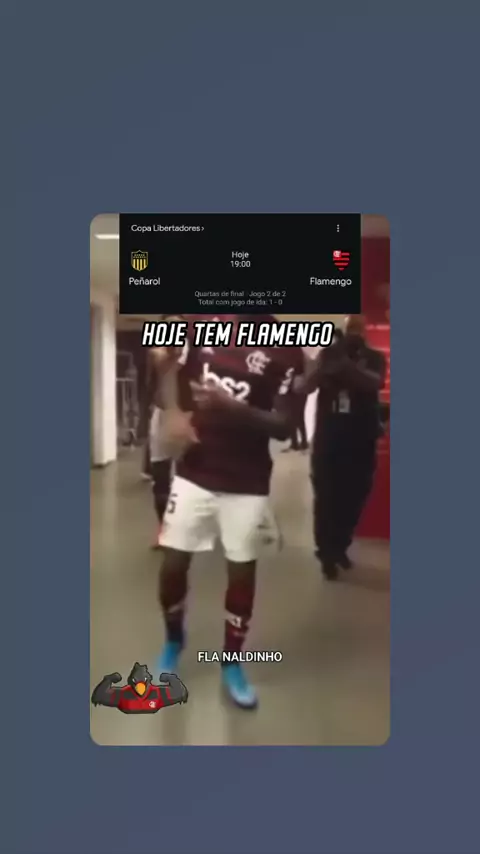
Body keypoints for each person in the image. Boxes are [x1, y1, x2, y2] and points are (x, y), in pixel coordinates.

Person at [152, 315, 303, 709]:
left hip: (247, 482)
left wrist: (229, 405)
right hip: (195, 472)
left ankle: (232, 661)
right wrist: (172, 410)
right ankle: (173, 640)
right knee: (172, 566)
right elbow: (163, 360)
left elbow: (284, 425)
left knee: (241, 573)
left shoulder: (285, 348)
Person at [307, 316, 386, 580]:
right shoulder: (328, 355)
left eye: (357, 327)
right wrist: (324, 364)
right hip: (329, 440)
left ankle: (340, 545)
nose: (353, 332)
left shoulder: (374, 358)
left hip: (360, 440)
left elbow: (374, 382)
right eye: (349, 327)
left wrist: (344, 366)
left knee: (355, 497)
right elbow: (306, 386)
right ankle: (326, 553)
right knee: (326, 498)